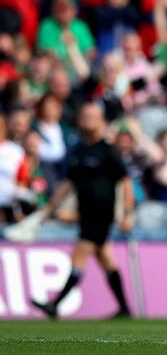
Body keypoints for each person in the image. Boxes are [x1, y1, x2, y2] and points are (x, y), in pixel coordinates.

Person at [31, 103, 134, 319]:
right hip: (85, 214)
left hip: (101, 215)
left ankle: (55, 304)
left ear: (101, 121)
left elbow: (125, 182)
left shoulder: (108, 150)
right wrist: (51, 206)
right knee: (106, 259)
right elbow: (69, 183)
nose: (87, 120)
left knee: (79, 255)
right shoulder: (78, 150)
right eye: (84, 116)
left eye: (92, 116)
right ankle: (124, 308)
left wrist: (127, 214)